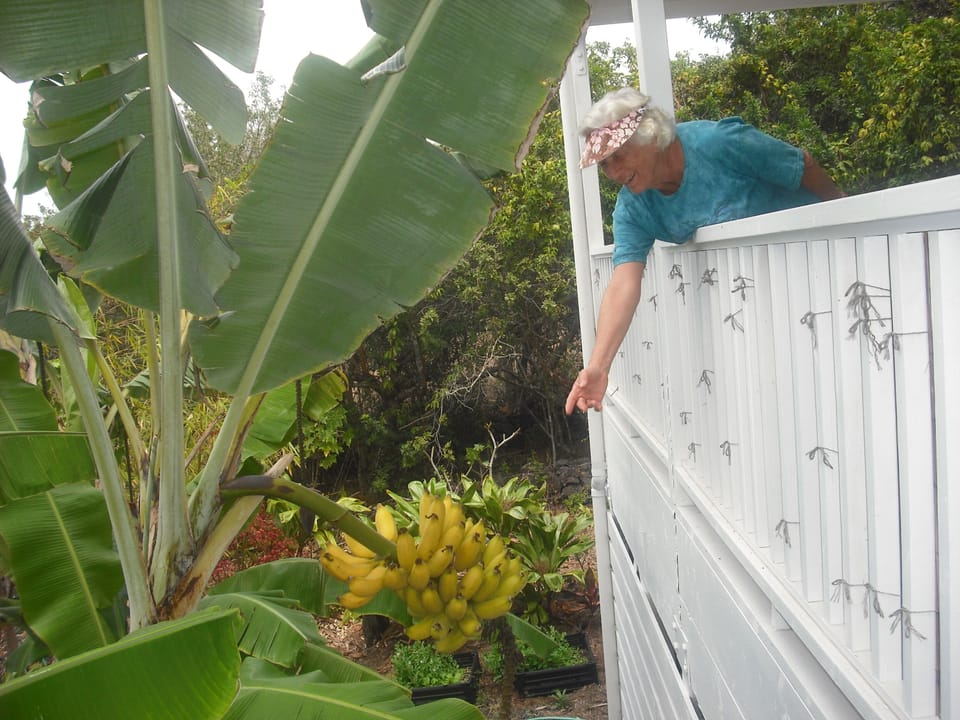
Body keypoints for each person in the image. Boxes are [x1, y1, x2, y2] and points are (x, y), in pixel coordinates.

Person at [565, 87, 845, 415]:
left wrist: (842, 210)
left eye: (618, 157)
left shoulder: (718, 142)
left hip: (827, 266)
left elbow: (801, 165)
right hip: (770, 309)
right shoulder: (633, 207)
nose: (612, 173)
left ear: (651, 138)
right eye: (604, 164)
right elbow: (623, 282)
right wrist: (598, 367)